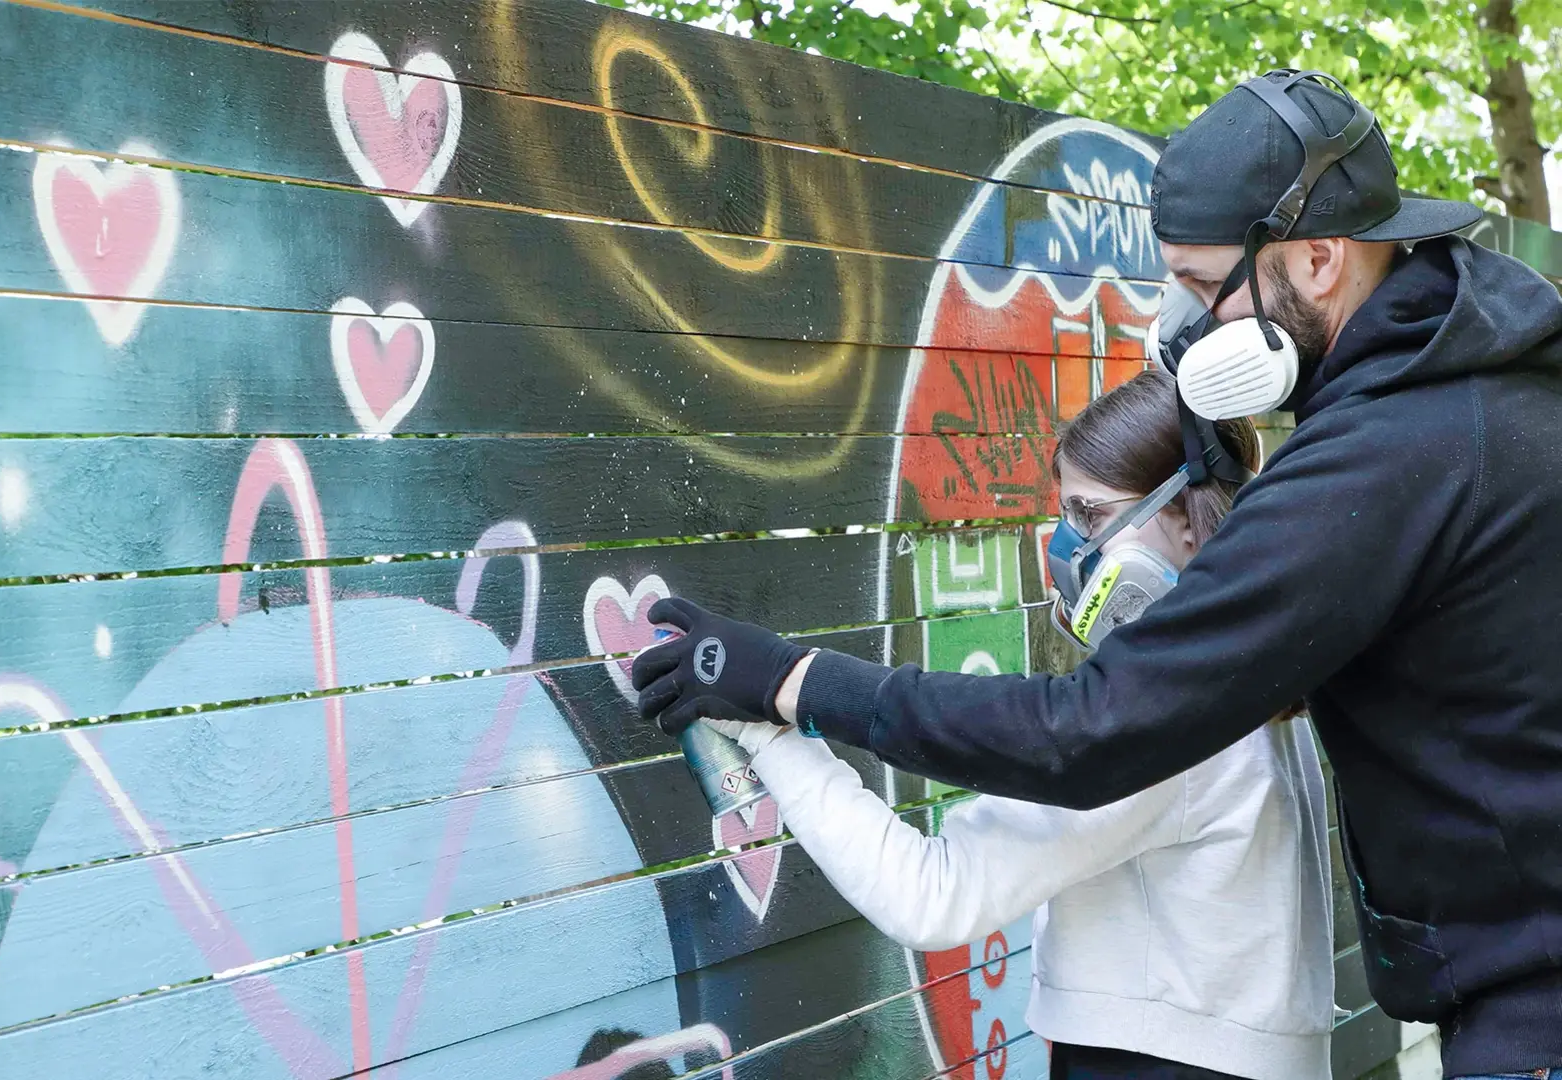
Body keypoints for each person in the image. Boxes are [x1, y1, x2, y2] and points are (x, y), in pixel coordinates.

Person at [632, 70, 1562, 1079]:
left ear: (1323, 258)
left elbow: (1094, 729)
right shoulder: (1488, 387)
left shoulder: (1392, 450)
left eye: (1206, 287)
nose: (1183, 326)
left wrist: (791, 683)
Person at [696, 370, 1333, 1079]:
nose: (1064, 551)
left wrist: (765, 725)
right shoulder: (1255, 683)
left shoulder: (1171, 725)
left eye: (1090, 517)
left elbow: (932, 893)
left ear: (1186, 516)